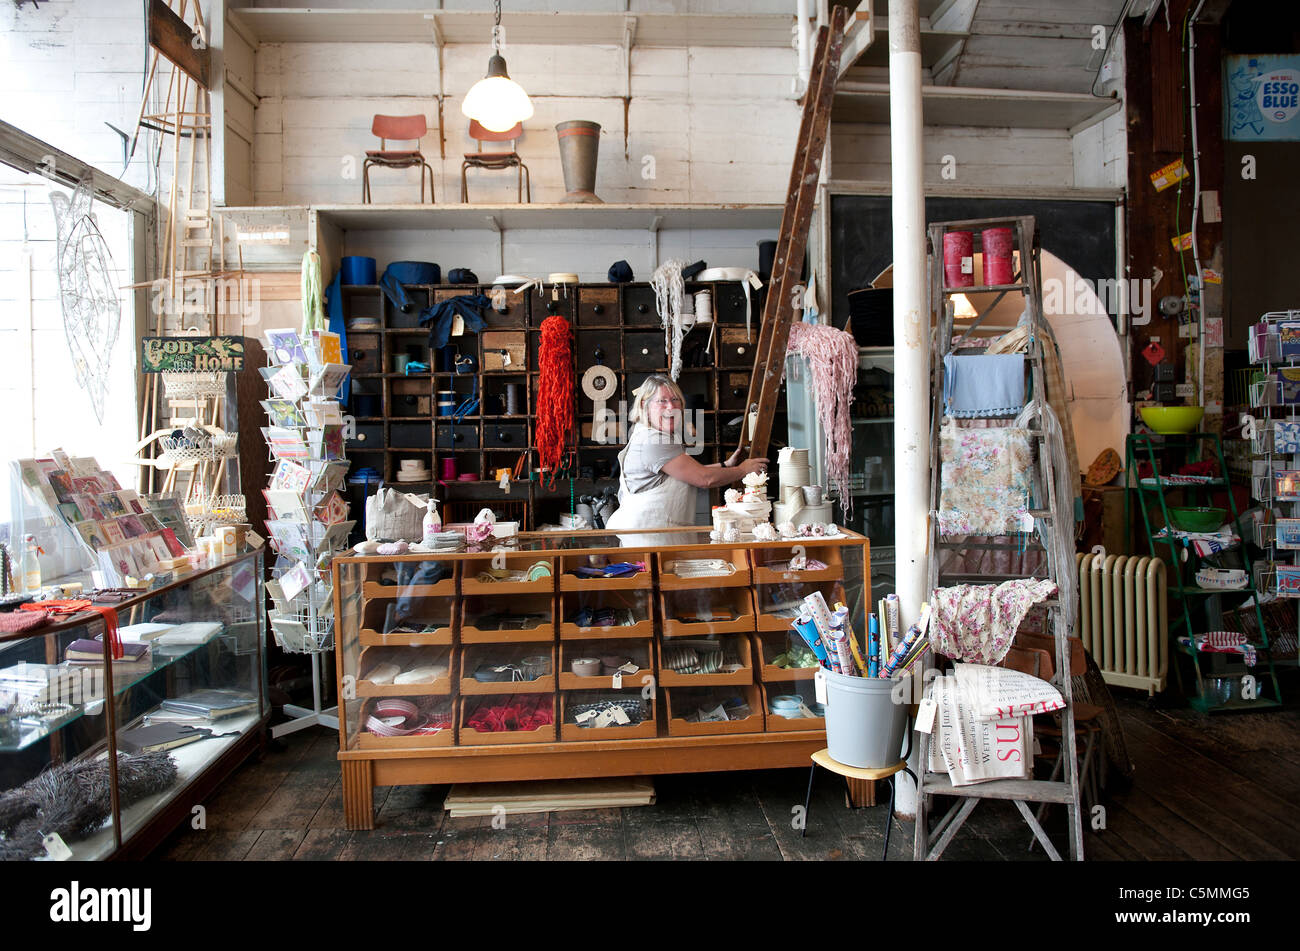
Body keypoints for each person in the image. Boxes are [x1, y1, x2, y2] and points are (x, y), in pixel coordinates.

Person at [604, 374, 768, 546]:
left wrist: (725, 465)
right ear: (645, 405)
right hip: (648, 542)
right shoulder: (654, 441)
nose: (671, 406)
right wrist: (743, 470)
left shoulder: (652, 434)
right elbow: (704, 478)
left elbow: (680, 473)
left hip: (655, 537)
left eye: (675, 399)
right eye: (662, 401)